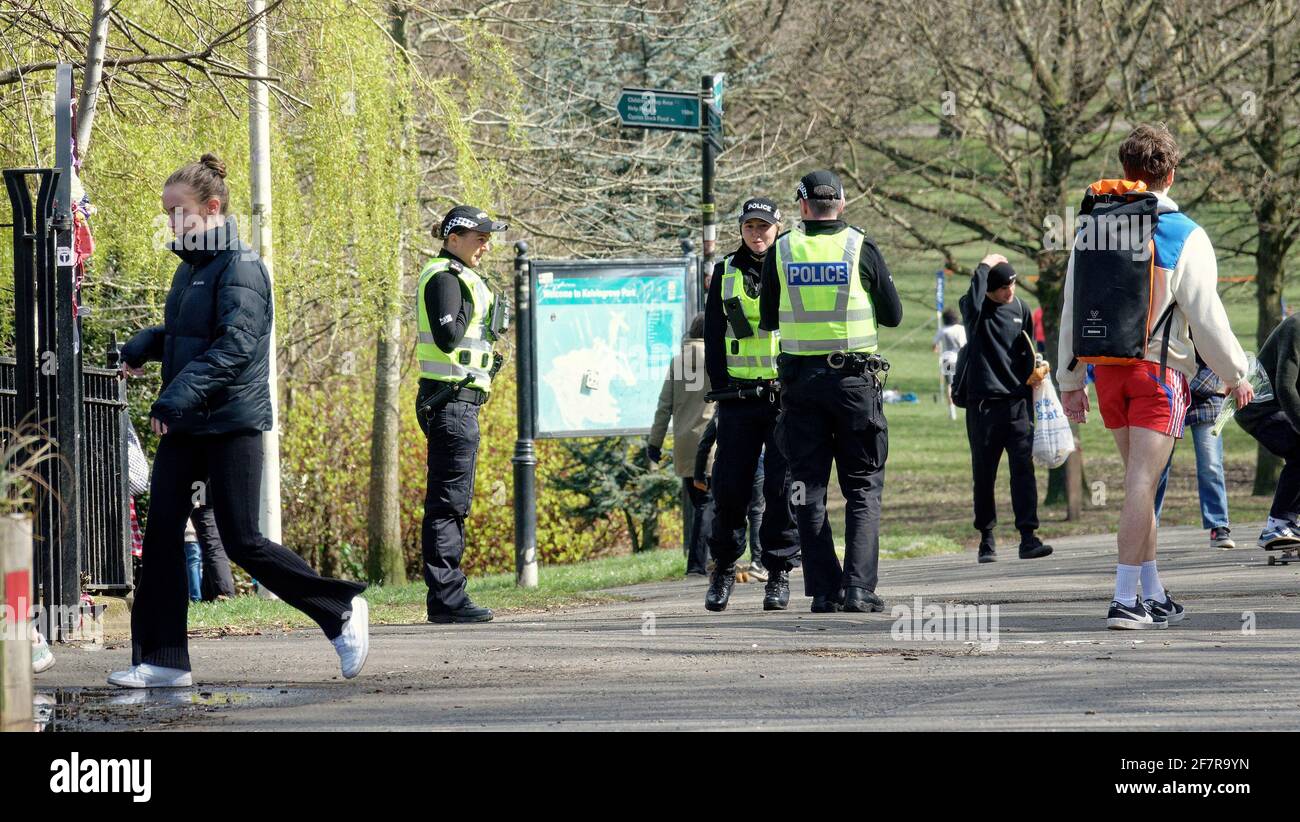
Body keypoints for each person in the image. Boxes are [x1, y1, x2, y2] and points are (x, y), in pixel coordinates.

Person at [116, 154, 368, 687]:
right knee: (162, 535)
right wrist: (146, 343)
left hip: (231, 424)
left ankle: (339, 610)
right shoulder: (190, 269)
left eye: (177, 212)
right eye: (165, 213)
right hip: (189, 426)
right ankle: (162, 661)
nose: (170, 222)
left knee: (243, 541)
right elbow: (190, 339)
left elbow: (234, 348)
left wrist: (173, 396)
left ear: (211, 209)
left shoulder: (242, 266)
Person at [1058, 125, 1252, 630]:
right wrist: (1236, 373)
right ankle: (1124, 598)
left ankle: (1151, 591)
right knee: (1142, 484)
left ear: (1126, 173)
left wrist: (1070, 379)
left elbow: (1071, 308)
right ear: (1171, 173)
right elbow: (1206, 317)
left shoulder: (1092, 228)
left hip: (1108, 374)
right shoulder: (1185, 233)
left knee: (1138, 482)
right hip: (1159, 374)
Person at [759, 170, 903, 613]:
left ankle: (824, 591)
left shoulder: (782, 251)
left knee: (807, 488)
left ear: (803, 206)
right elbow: (894, 315)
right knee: (862, 486)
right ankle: (859, 589)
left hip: (801, 387)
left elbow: (768, 319)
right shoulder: (860, 246)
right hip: (855, 386)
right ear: (840, 204)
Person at [701, 197, 799, 612]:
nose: (757, 235)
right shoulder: (724, 271)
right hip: (738, 400)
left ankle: (777, 573)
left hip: (781, 399)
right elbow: (713, 335)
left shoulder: (791, 268)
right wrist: (721, 386)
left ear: (778, 228)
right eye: (750, 227)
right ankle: (723, 568)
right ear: (741, 230)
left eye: (764, 227)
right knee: (730, 489)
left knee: (780, 491)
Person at [416, 205, 510, 622]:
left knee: (452, 502)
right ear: (453, 239)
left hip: (457, 403)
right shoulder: (445, 277)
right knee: (448, 505)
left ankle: (445, 598)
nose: (485, 247)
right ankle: (447, 599)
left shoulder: (458, 275)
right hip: (450, 403)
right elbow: (448, 335)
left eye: (488, 239)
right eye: (479, 239)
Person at [959, 254, 1053, 563]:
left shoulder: (1020, 308)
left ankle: (1028, 536)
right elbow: (971, 302)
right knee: (984, 475)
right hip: (984, 406)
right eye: (1001, 288)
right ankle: (986, 537)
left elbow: (1026, 346)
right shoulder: (976, 309)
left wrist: (1037, 369)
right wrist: (983, 266)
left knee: (1023, 472)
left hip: (1017, 404)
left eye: (1011, 285)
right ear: (988, 287)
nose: (1008, 292)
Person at [649, 313, 714, 575]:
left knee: (701, 503)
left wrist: (655, 443)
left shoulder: (678, 363)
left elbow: (664, 407)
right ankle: (699, 565)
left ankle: (702, 563)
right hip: (713, 443)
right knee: (711, 503)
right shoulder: (717, 357)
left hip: (685, 444)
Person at [1231, 314, 1300, 549]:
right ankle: (1277, 525)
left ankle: (1287, 521)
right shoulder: (1296, 327)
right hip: (1258, 409)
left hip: (1278, 409)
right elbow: (1286, 387)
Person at [1152, 359, 1236, 548]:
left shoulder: (1208, 327)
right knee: (1158, 465)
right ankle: (1148, 526)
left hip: (1206, 399)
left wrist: (1192, 385)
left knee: (1211, 464)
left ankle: (1218, 525)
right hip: (1169, 397)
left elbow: (1220, 353)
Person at [693, 413, 766, 581]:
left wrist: (698, 475)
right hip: (758, 463)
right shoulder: (761, 407)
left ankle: (726, 561)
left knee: (730, 510)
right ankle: (757, 562)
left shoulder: (722, 414)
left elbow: (704, 443)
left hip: (731, 464)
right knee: (756, 512)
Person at [934, 307, 966, 419]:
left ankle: (952, 412)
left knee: (950, 384)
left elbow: (935, 345)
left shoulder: (943, 330)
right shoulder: (961, 329)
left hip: (947, 358)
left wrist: (937, 349)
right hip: (961, 359)